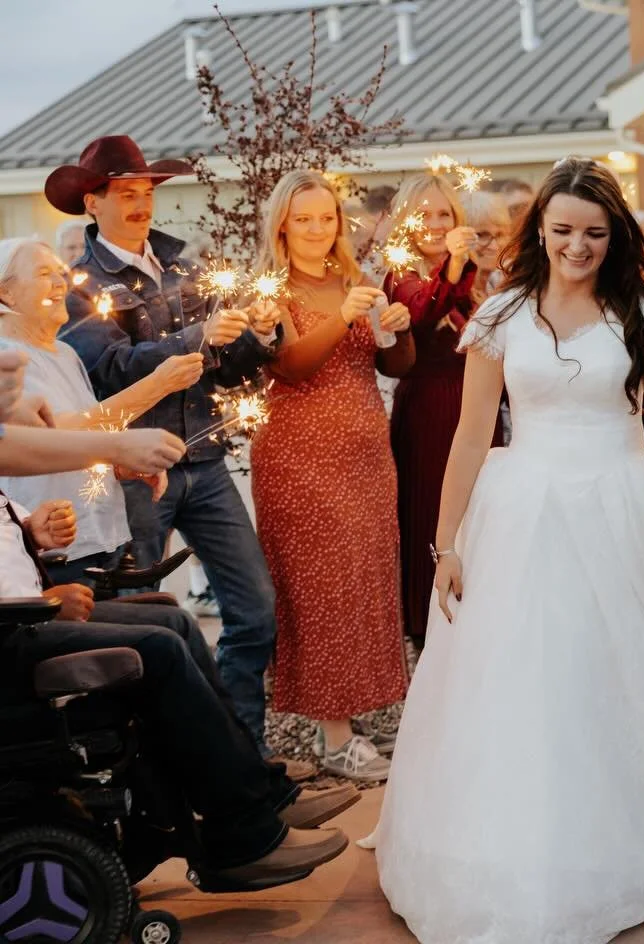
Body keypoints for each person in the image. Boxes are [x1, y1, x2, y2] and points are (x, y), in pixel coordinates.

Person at [369, 157, 644, 943]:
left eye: (594, 232)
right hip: (522, 509)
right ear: (540, 232)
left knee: (631, 675)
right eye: (562, 230)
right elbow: (470, 434)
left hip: (622, 504)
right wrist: (445, 543)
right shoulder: (499, 317)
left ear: (614, 236)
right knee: (535, 681)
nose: (578, 245)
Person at [0, 380, 358, 887]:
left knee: (173, 620)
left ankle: (256, 800)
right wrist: (43, 604)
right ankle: (244, 837)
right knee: (157, 649)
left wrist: (30, 528)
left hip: (25, 612)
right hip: (12, 627)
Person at [47, 136, 293, 769]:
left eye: (147, 193)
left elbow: (226, 370)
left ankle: (242, 757)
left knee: (254, 609)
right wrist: (193, 335)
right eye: (126, 194)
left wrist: (258, 335)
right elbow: (106, 371)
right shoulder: (80, 286)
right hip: (133, 471)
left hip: (204, 460)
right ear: (93, 202)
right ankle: (160, 773)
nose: (140, 205)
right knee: (145, 624)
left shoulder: (184, 267)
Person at [248, 169, 414, 782]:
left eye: (328, 218)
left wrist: (397, 329)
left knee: (366, 578)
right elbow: (289, 366)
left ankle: (360, 708)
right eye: (305, 219)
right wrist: (344, 317)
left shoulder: (357, 279)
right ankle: (334, 733)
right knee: (320, 587)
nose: (319, 229)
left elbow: (399, 365)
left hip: (367, 456)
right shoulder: (269, 288)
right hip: (299, 458)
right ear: (283, 226)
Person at [0, 237, 202, 584]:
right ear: (7, 294)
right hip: (56, 550)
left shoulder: (65, 353)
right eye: (44, 273)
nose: (61, 283)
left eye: (61, 273)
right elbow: (52, 434)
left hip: (101, 537)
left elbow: (90, 432)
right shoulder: (8, 358)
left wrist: (118, 464)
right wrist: (157, 385)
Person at [386, 177, 507, 650]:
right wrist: (455, 265)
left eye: (444, 215)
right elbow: (421, 312)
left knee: (485, 520)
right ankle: (429, 636)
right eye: (424, 215)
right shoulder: (403, 274)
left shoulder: (480, 274)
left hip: (481, 411)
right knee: (432, 521)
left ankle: (487, 629)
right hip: (429, 412)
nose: (435, 225)